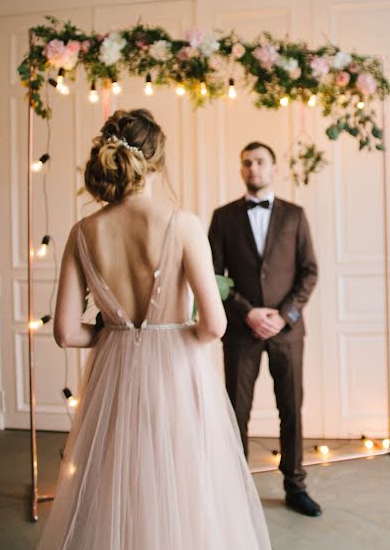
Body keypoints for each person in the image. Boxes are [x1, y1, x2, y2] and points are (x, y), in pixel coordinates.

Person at [38, 110, 270, 549]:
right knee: (183, 481)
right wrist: (171, 335)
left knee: (114, 481)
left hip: (115, 373)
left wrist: (116, 336)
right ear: (156, 161)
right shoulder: (182, 223)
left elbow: (67, 332)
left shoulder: (82, 231)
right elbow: (214, 325)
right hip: (177, 372)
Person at [208, 141, 321, 517]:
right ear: (241, 170)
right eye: (246, 163)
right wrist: (248, 313)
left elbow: (309, 271)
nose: (252, 168)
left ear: (274, 169)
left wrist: (283, 314)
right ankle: (235, 490)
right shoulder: (223, 218)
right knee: (236, 411)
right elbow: (213, 277)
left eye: (260, 162)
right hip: (241, 333)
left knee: (291, 409)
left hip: (287, 333)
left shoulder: (295, 215)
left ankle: (295, 485)